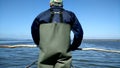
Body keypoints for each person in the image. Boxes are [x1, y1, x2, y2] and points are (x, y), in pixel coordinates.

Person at [31, 0, 83, 68]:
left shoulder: (41, 15)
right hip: (64, 54)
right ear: (62, 4)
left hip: (45, 53)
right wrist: (73, 46)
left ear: (50, 4)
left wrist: (39, 44)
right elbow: (79, 33)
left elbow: (34, 31)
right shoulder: (70, 15)